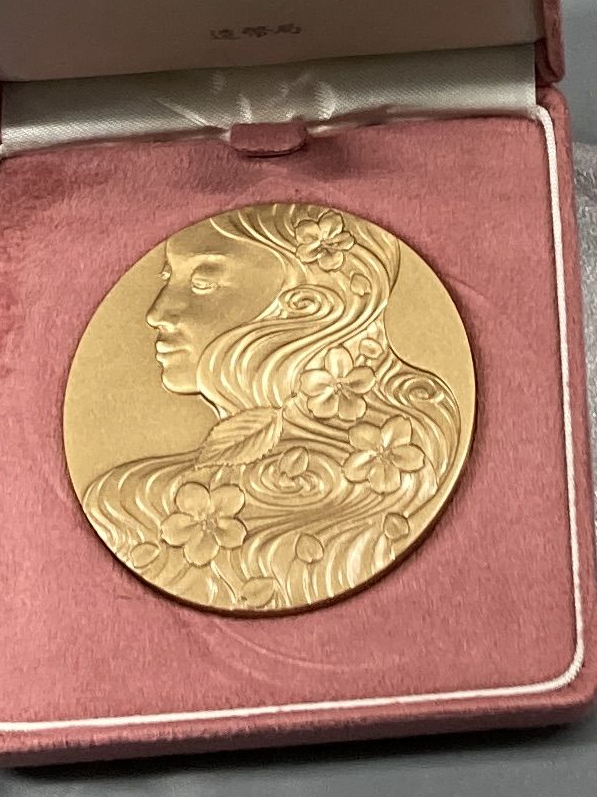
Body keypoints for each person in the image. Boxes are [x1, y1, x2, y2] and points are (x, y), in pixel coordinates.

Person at [77, 202, 469, 614]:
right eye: (167, 278)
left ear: (307, 304)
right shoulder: (131, 503)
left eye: (203, 282)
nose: (156, 313)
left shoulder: (132, 506)